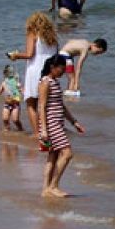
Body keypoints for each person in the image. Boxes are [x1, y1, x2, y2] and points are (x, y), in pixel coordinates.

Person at [36, 56, 85, 198]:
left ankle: (45, 189)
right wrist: (44, 129)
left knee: (53, 156)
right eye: (61, 69)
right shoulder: (45, 82)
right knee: (67, 153)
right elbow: (42, 106)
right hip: (51, 124)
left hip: (57, 122)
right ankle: (54, 186)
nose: (63, 72)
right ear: (53, 67)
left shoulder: (54, 82)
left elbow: (61, 106)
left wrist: (74, 122)